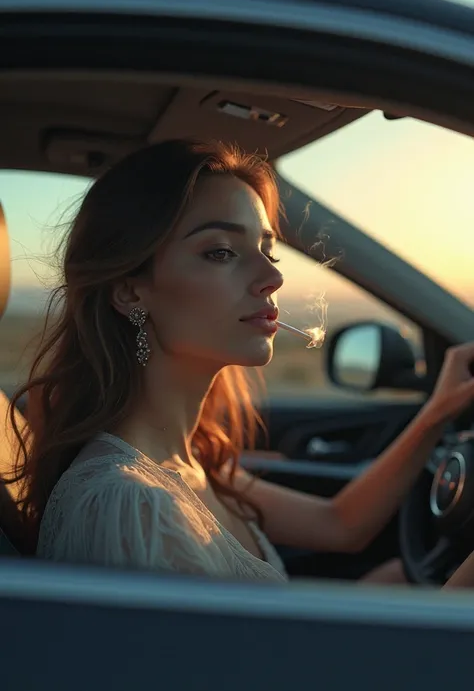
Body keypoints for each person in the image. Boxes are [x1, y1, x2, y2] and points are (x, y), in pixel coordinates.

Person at [8, 139, 474, 586]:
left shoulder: (191, 462)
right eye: (221, 252)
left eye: (267, 251)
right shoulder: (131, 507)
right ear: (130, 290)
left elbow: (340, 525)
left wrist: (439, 410)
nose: (272, 276)